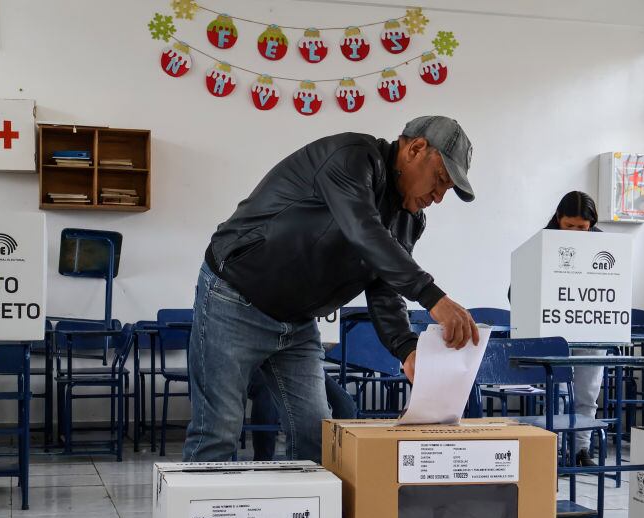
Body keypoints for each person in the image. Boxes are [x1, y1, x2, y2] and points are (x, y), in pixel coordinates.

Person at [184, 116, 480, 464]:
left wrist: (406, 349)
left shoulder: (409, 218)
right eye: (441, 180)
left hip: (297, 324)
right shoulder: (351, 158)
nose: (439, 197)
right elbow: (363, 231)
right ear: (415, 148)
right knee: (217, 434)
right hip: (234, 300)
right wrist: (432, 297)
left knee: (316, 436)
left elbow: (384, 286)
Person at [543, 192, 605, 467]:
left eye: (583, 227)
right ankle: (553, 450)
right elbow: (515, 290)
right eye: (570, 226)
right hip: (555, 333)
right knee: (556, 393)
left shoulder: (605, 246)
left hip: (591, 330)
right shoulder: (542, 243)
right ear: (559, 220)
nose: (577, 233)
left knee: (588, 394)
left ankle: (582, 450)